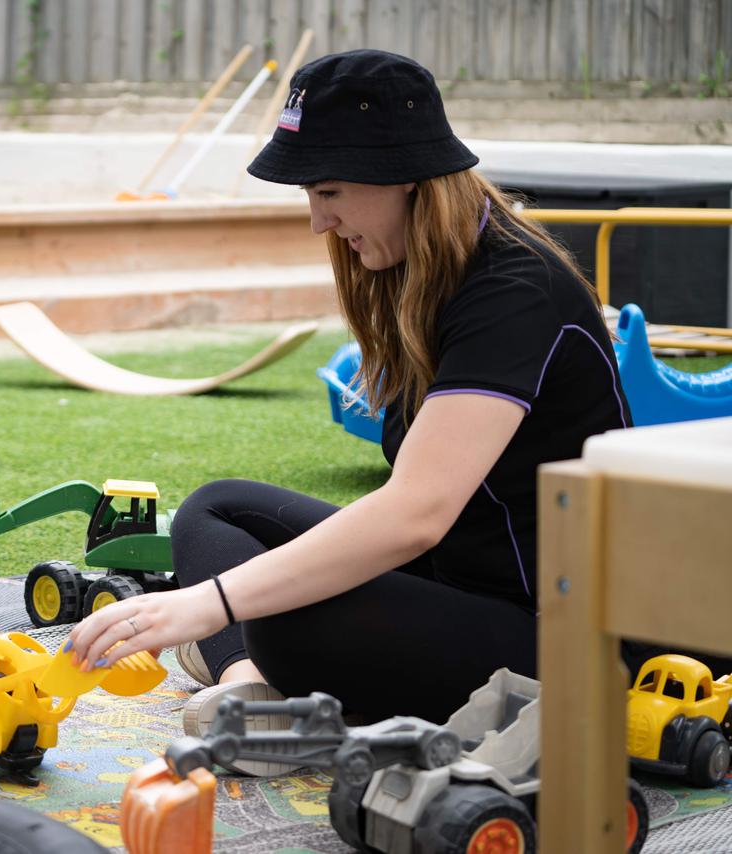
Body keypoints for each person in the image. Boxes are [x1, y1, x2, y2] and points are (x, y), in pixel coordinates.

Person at [65, 49, 638, 773]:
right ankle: (251, 695)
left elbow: (416, 513)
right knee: (214, 511)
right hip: (458, 581)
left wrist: (210, 603)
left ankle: (254, 667)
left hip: (556, 632)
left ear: (404, 175)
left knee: (272, 614)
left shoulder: (513, 291)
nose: (317, 220)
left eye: (329, 189)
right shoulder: (421, 270)